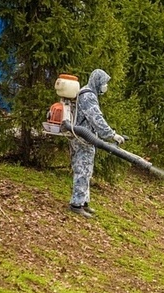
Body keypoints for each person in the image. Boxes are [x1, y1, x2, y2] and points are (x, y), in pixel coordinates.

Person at [69, 69, 125, 218]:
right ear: (97, 81)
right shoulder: (88, 96)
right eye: (104, 83)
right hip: (82, 138)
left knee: (86, 169)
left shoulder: (86, 92)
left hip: (83, 137)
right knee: (83, 169)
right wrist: (112, 135)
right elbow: (96, 119)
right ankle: (76, 204)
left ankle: (83, 202)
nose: (105, 86)